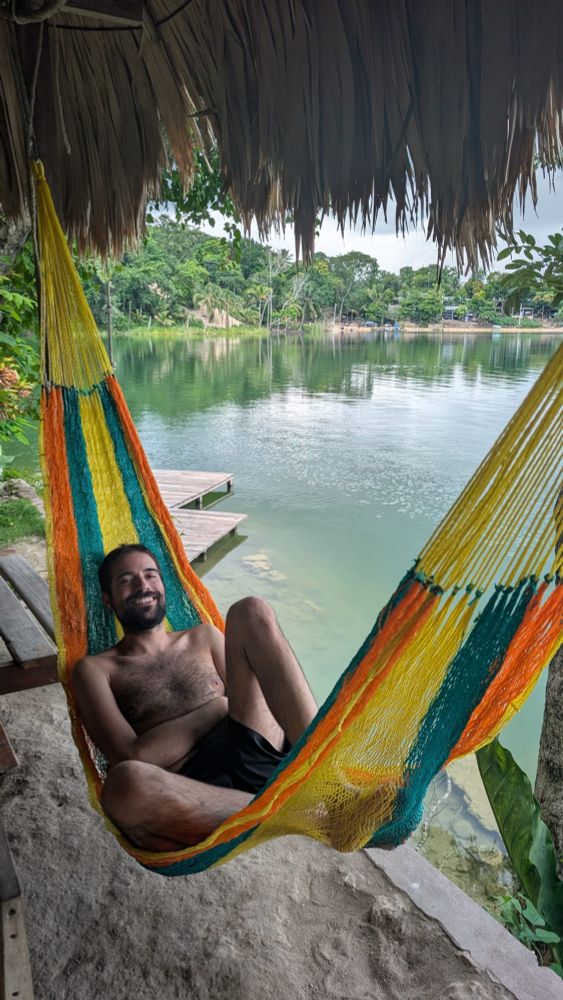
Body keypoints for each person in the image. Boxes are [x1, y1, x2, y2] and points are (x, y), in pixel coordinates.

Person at [72, 544, 318, 852]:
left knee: (251, 610)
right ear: (108, 599)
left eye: (150, 575)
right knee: (123, 785)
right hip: (193, 789)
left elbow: (255, 700)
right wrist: (217, 706)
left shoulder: (204, 637)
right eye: (126, 580)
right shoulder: (95, 670)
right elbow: (130, 756)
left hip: (255, 748)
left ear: (163, 586)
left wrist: (223, 711)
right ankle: (286, 812)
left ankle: (323, 768)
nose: (143, 586)